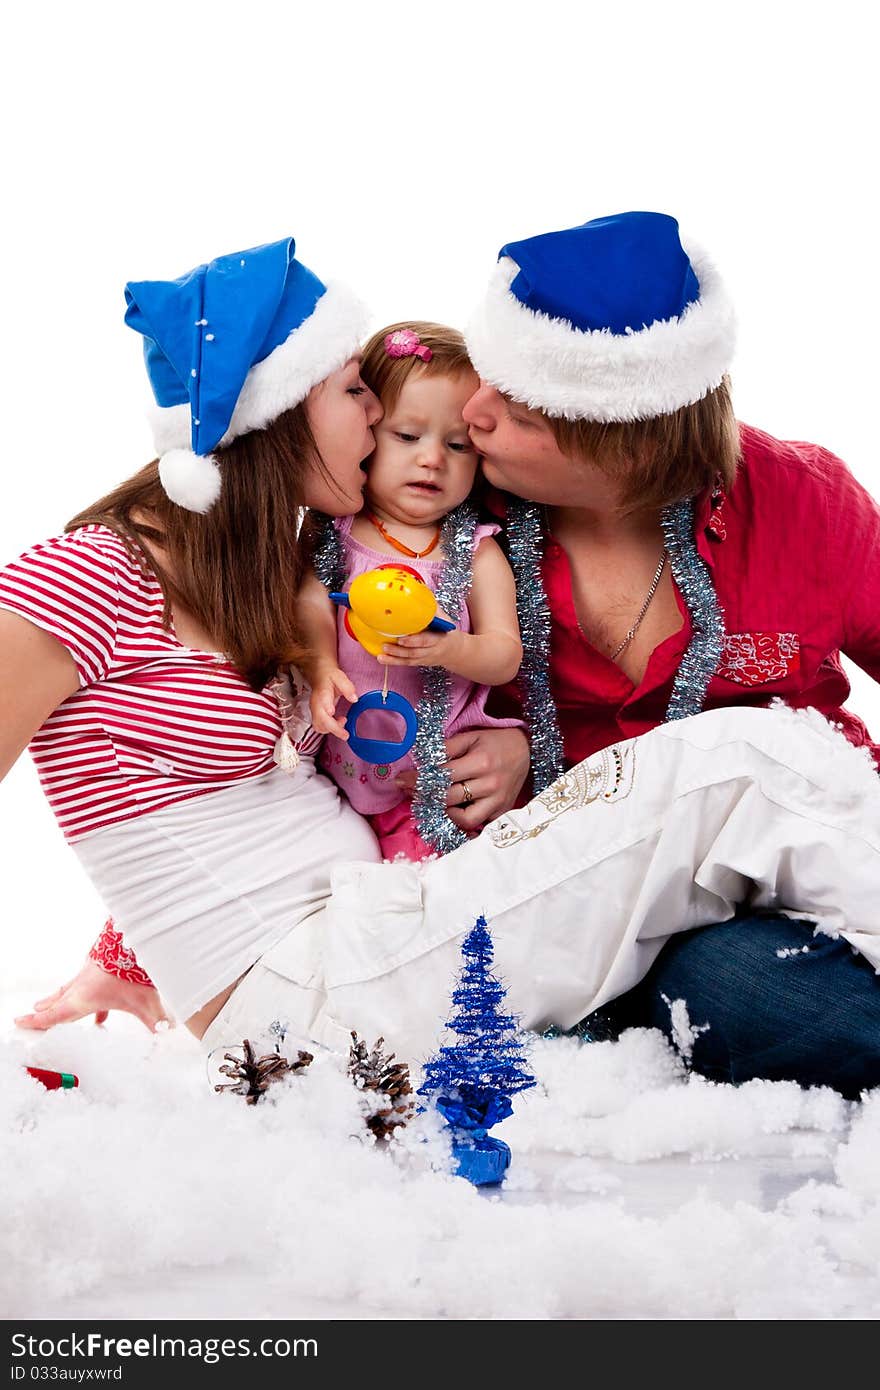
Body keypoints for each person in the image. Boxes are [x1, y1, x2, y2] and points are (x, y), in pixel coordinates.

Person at [5, 225, 879, 1098]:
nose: (402, 422)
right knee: (746, 768)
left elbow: (201, 793)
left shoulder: (264, 569)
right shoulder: (103, 569)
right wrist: (132, 951)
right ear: (280, 409)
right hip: (322, 981)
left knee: (750, 762)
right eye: (358, 391)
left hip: (385, 924)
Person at [299, 320, 522, 862]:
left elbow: (505, 653)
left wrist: (453, 649)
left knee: (433, 900)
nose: (432, 459)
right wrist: (322, 665)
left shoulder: (476, 551)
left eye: (457, 445)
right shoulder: (337, 534)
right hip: (336, 776)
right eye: (407, 436)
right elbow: (307, 601)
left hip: (435, 781)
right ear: (367, 432)